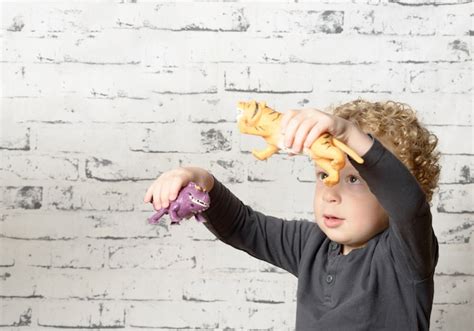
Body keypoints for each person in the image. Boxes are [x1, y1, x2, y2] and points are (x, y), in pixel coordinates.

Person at [143, 99, 441, 330]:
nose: (330, 191)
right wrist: (199, 177)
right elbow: (244, 227)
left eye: (354, 180)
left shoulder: (405, 257)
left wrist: (348, 134)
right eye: (324, 173)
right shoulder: (310, 244)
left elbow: (407, 202)